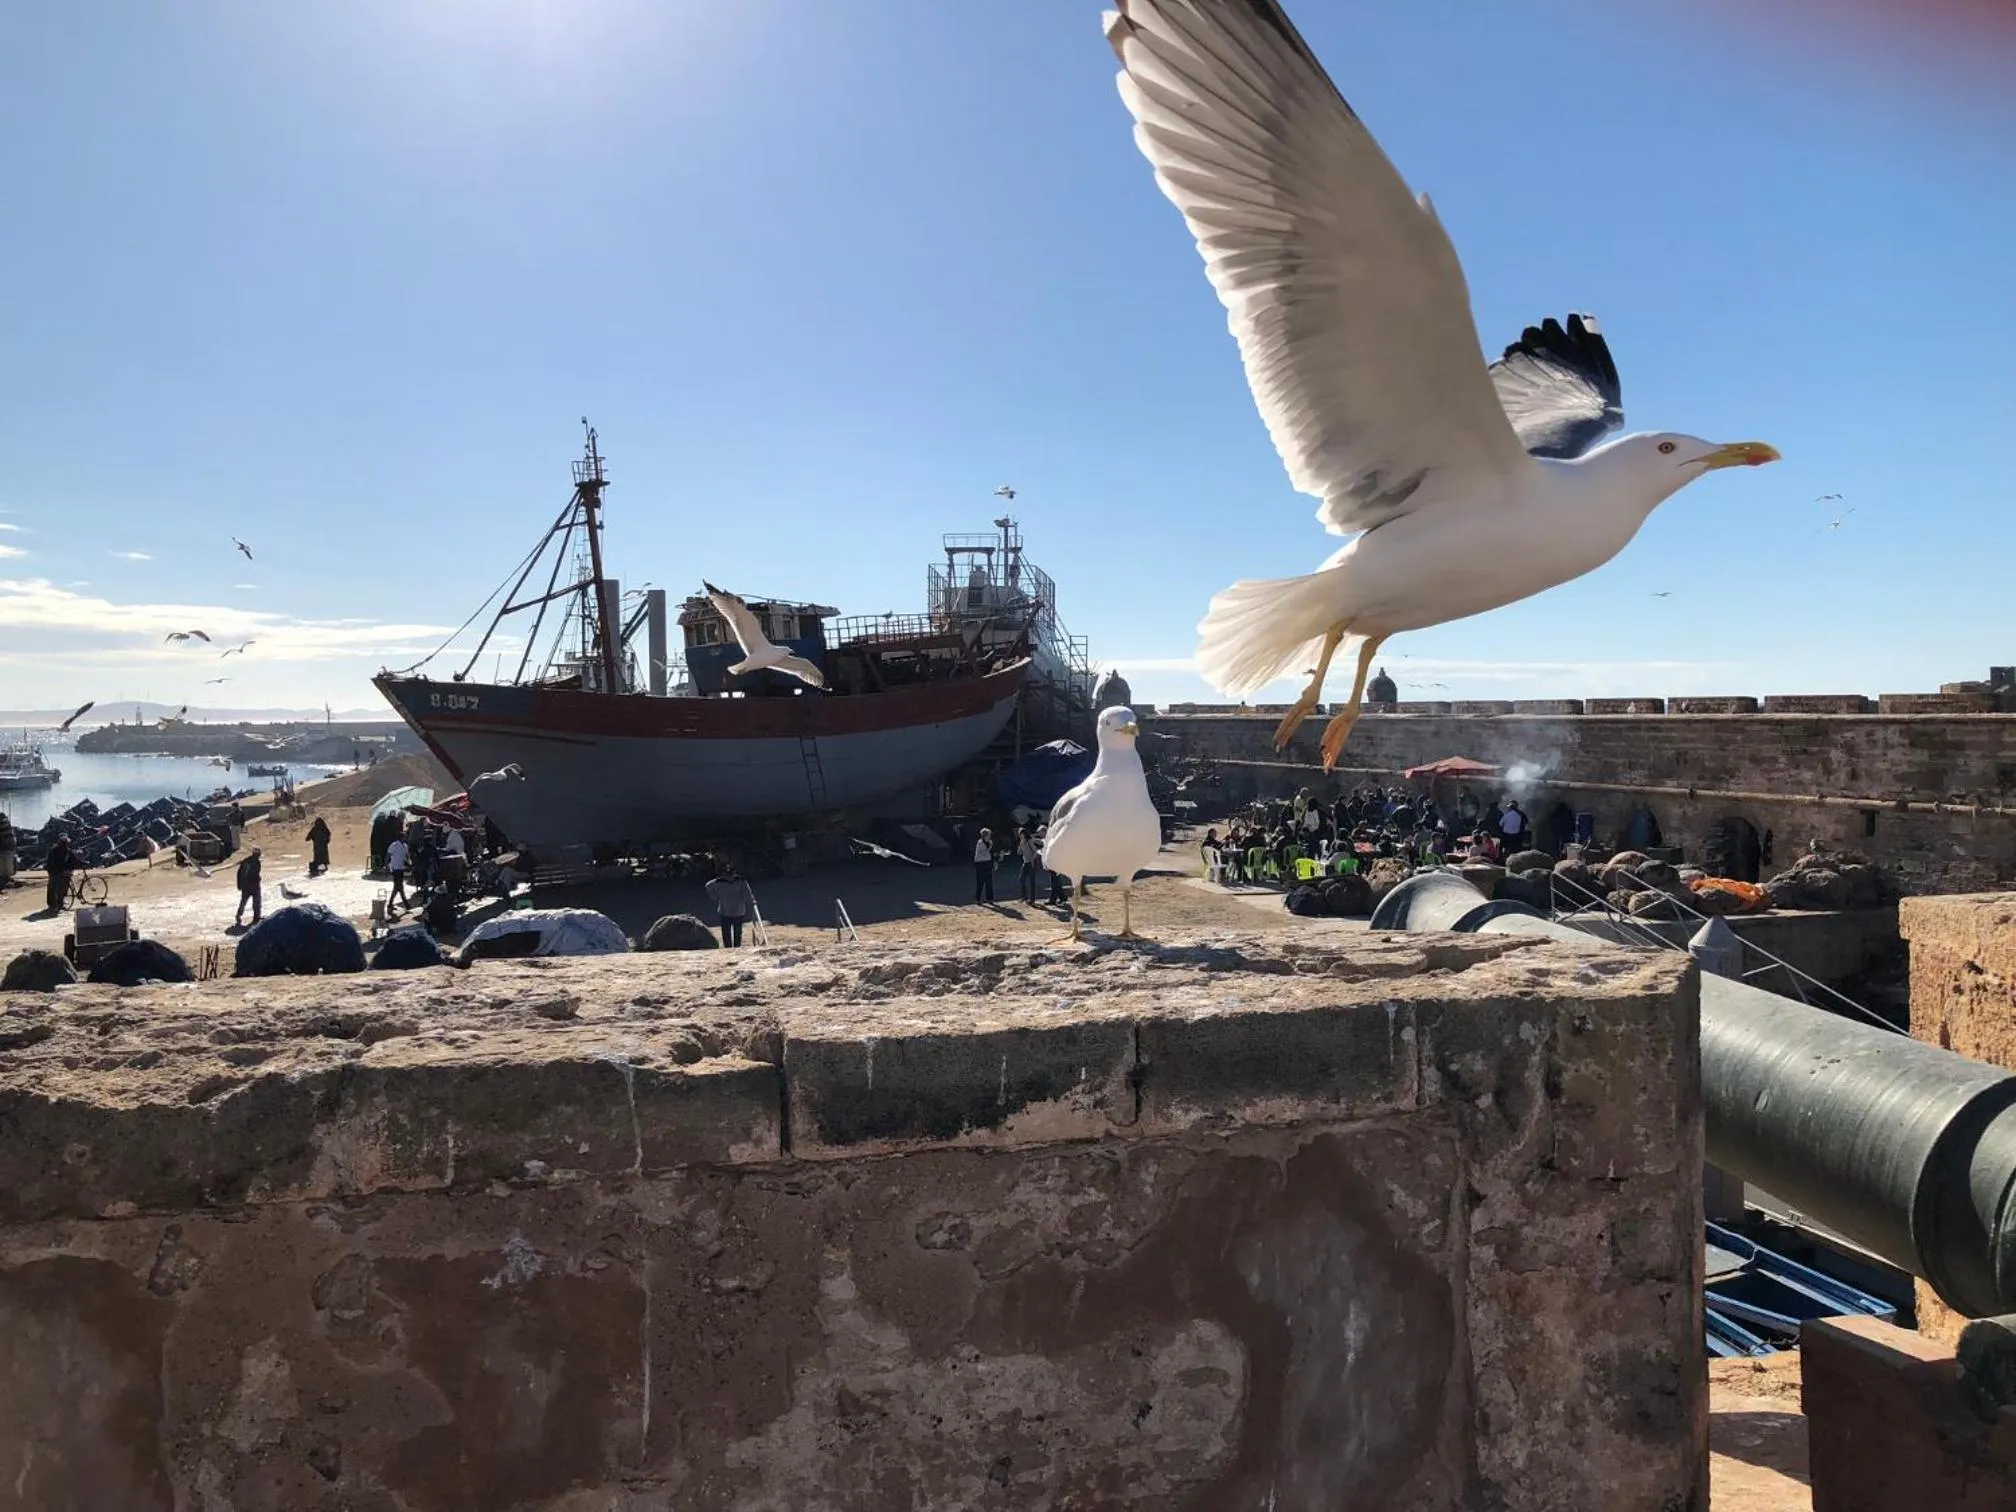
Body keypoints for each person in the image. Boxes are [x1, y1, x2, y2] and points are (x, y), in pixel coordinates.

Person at [705, 864, 755, 947]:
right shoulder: (719, 882)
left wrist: (750, 900)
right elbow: (708, 886)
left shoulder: (740, 881)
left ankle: (736, 947)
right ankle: (729, 948)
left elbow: (747, 894)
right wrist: (714, 897)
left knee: (736, 933)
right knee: (727, 933)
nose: (729, 877)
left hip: (737, 911)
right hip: (726, 912)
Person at [42, 833, 74, 914]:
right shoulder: (55, 851)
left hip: (59, 872)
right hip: (55, 872)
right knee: (55, 889)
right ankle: (54, 905)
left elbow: (73, 859)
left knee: (59, 889)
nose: (67, 845)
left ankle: (58, 904)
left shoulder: (61, 850)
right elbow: (55, 863)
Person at [234, 846, 263, 927]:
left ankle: (239, 915)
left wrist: (239, 884)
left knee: (244, 901)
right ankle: (256, 917)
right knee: (256, 902)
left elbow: (239, 873)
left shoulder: (246, 860)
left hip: (246, 885)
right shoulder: (255, 862)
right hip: (252, 885)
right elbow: (249, 873)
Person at [1016, 825, 1042, 903]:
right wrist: (1020, 845)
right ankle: (1024, 896)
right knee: (1021, 879)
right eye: (1019, 834)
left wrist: (1032, 859)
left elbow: (1035, 851)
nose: (1020, 835)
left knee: (1031, 881)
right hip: (1025, 862)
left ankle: (1032, 899)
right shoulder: (1021, 841)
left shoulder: (1029, 841)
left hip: (1031, 863)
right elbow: (1019, 852)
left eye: (1021, 834)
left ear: (1024, 834)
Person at [386, 834, 410, 909]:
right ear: (401, 838)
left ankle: (391, 904)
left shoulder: (405, 846)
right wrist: (387, 867)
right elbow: (388, 856)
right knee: (399, 886)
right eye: (404, 837)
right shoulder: (394, 845)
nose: (405, 838)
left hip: (401, 868)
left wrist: (409, 863)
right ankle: (406, 904)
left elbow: (406, 856)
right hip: (395, 868)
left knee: (398, 887)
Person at [973, 827, 997, 904]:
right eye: (988, 835)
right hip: (980, 863)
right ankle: (977, 899)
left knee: (989, 881)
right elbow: (985, 852)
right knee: (980, 881)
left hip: (988, 862)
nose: (989, 836)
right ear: (984, 835)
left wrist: (994, 860)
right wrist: (990, 846)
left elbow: (991, 853)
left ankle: (990, 898)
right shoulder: (980, 843)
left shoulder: (990, 842)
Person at [0, 808, 15, 891]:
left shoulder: (4, 824)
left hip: (6, 847)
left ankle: (5, 879)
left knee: (5, 865)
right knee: (7, 865)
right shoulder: (6, 823)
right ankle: (6, 878)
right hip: (7, 847)